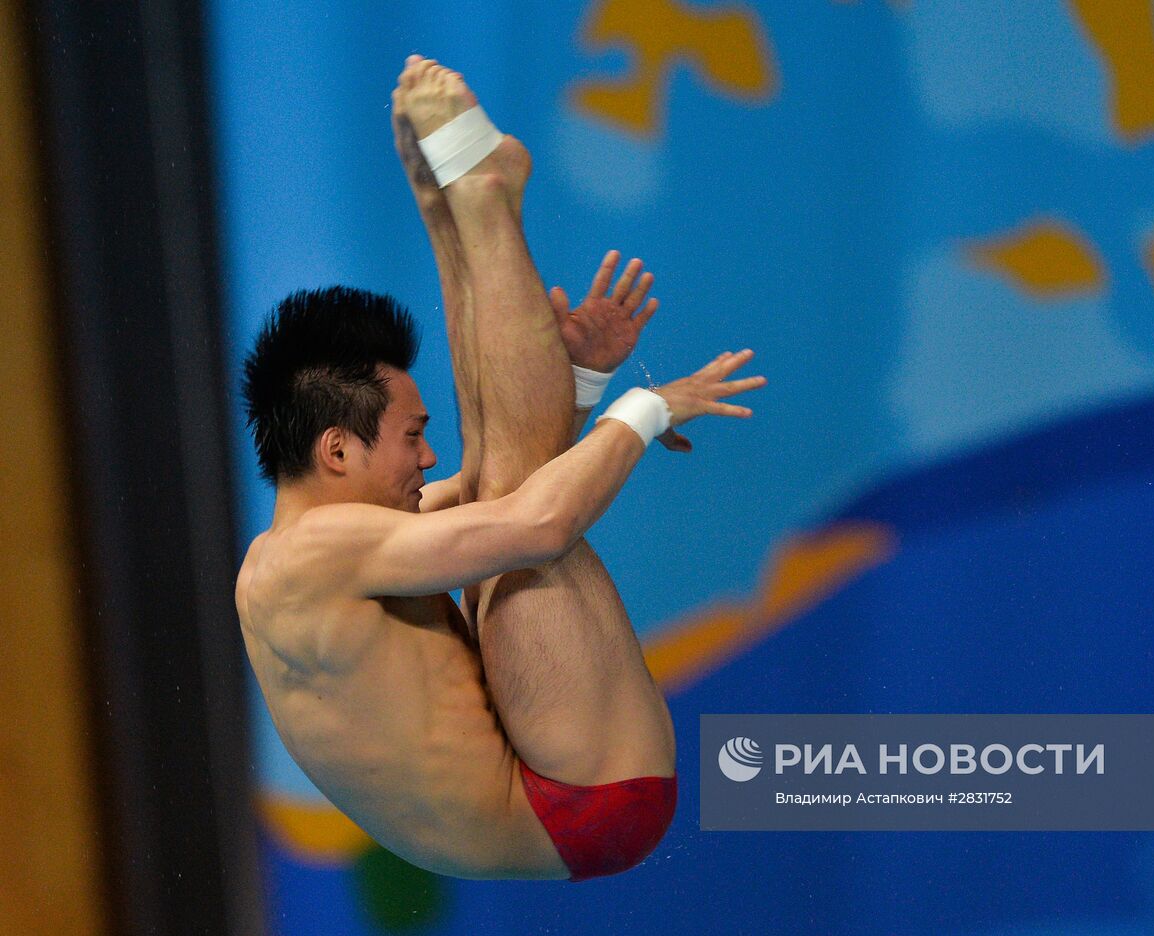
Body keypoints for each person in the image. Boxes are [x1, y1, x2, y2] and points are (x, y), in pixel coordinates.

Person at [235, 56, 764, 881]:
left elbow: (505, 485)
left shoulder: (315, 552)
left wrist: (580, 388)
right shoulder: (307, 557)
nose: (428, 456)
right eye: (411, 437)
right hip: (583, 800)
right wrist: (653, 405)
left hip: (561, 782)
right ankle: (471, 200)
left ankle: (453, 203)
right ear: (336, 450)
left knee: (496, 480)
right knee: (510, 497)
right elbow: (538, 520)